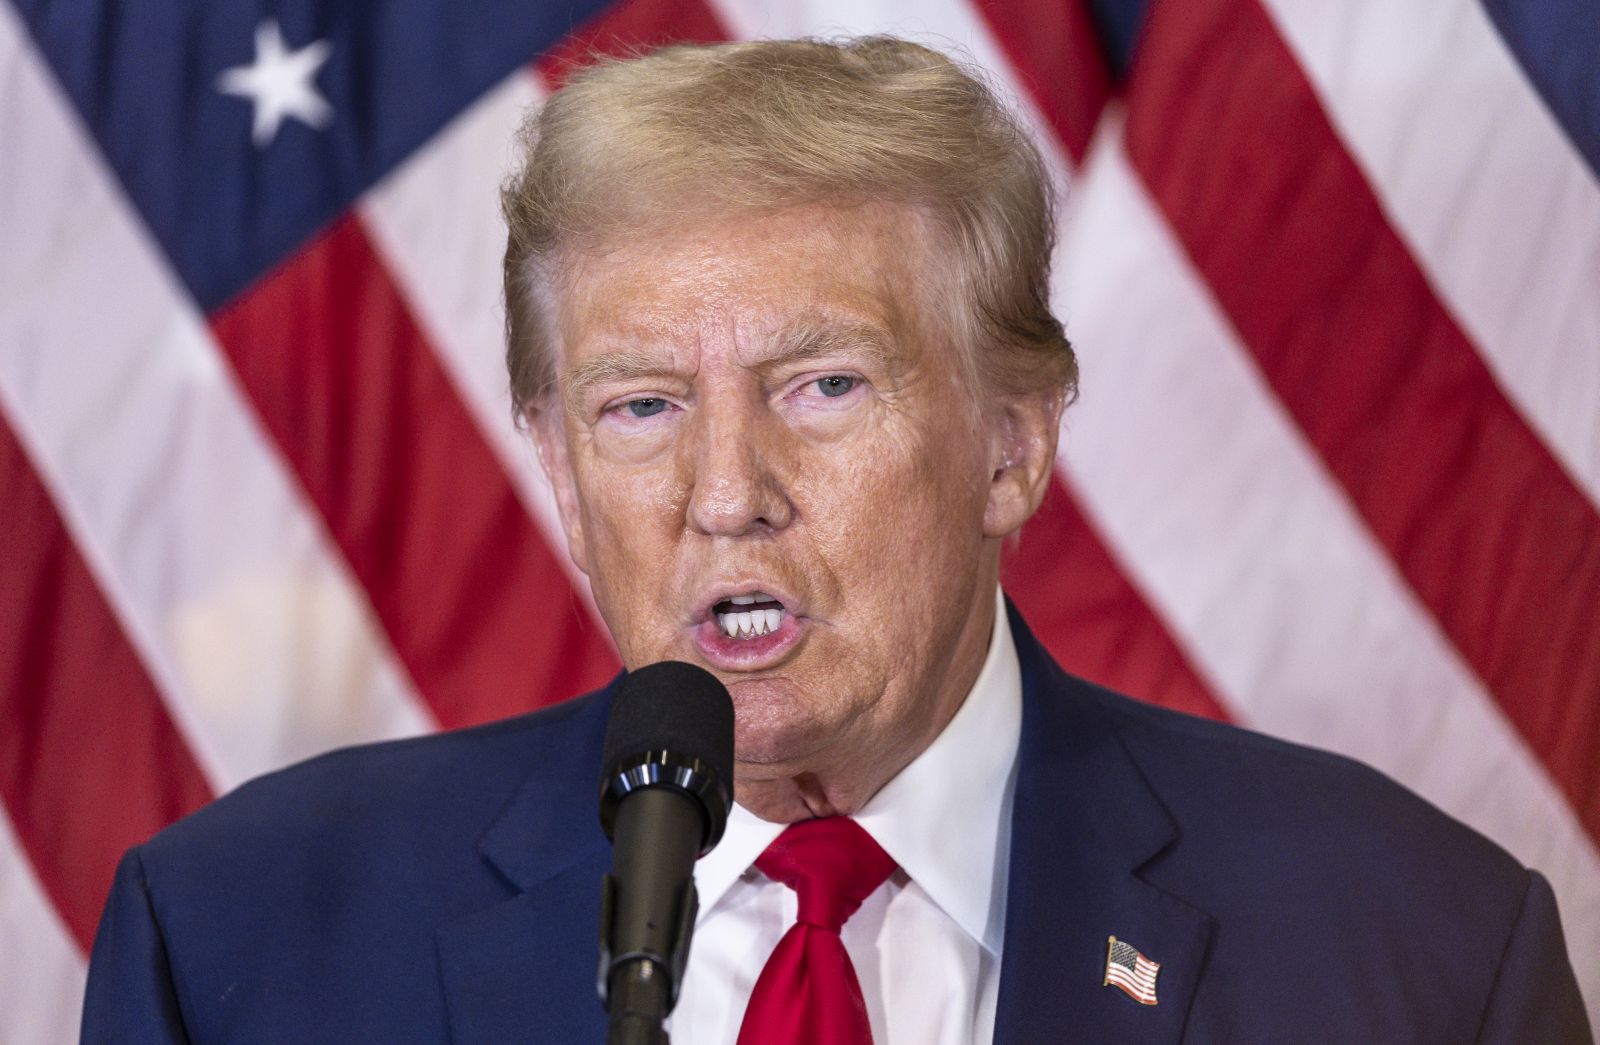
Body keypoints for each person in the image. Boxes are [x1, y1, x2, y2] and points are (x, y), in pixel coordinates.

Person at [82, 36, 1589, 1044]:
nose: (727, 490)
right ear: (553, 462)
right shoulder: (242, 949)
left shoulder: (1418, 951)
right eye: (642, 405)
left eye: (824, 385)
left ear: (1014, 439)